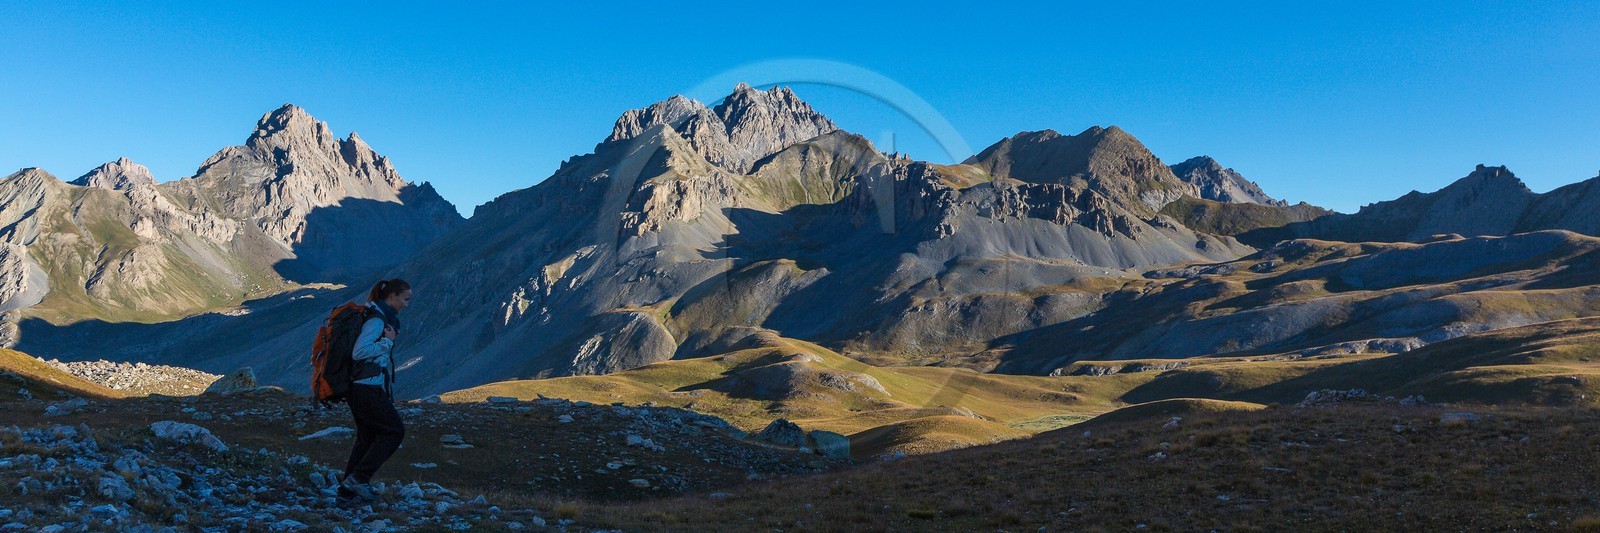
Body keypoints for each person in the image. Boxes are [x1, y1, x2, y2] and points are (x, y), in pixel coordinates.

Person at [338, 278, 411, 502]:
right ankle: (359, 478)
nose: (407, 304)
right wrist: (387, 342)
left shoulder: (377, 314)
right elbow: (359, 352)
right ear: (393, 297)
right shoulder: (377, 320)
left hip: (360, 387)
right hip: (365, 388)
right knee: (394, 430)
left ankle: (346, 494)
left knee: (367, 437)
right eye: (405, 299)